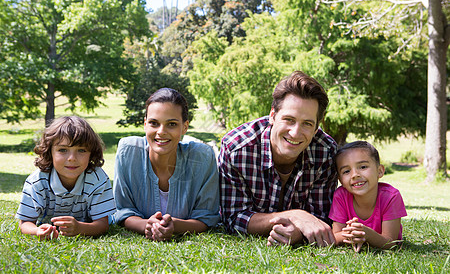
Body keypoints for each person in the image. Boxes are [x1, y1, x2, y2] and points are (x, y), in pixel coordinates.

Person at [219, 70, 338, 247]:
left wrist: (297, 232)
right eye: (289, 119)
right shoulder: (237, 149)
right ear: (273, 116)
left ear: (316, 128)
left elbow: (319, 219)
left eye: (307, 123)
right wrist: (294, 216)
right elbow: (233, 218)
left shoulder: (326, 151)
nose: (295, 132)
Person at [113, 88, 220, 241]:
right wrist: (147, 225)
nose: (161, 132)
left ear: (185, 127)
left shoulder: (202, 158)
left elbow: (206, 218)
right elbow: (122, 211)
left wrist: (175, 226)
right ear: (145, 124)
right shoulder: (128, 152)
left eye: (171, 124)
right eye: (154, 123)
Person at [16, 116, 116, 240]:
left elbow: (102, 225)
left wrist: (80, 228)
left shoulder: (97, 179)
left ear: (91, 153)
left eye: (81, 150)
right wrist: (37, 231)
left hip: (86, 223)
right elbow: (25, 223)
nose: (72, 158)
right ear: (49, 152)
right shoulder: (36, 182)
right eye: (63, 150)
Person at [329, 141, 407, 252]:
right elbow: (335, 237)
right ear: (340, 180)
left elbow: (391, 243)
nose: (355, 175)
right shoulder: (340, 196)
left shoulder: (391, 197)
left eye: (363, 167)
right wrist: (353, 233)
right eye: (346, 171)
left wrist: (366, 234)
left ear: (379, 171)